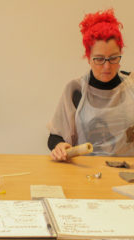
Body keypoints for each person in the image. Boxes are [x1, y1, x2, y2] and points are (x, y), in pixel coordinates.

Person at [48, 9, 134, 161]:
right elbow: (55, 137)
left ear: (120, 53)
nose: (107, 67)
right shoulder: (75, 90)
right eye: (99, 59)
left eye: (113, 58)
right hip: (87, 174)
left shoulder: (131, 86)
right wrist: (60, 146)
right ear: (88, 58)